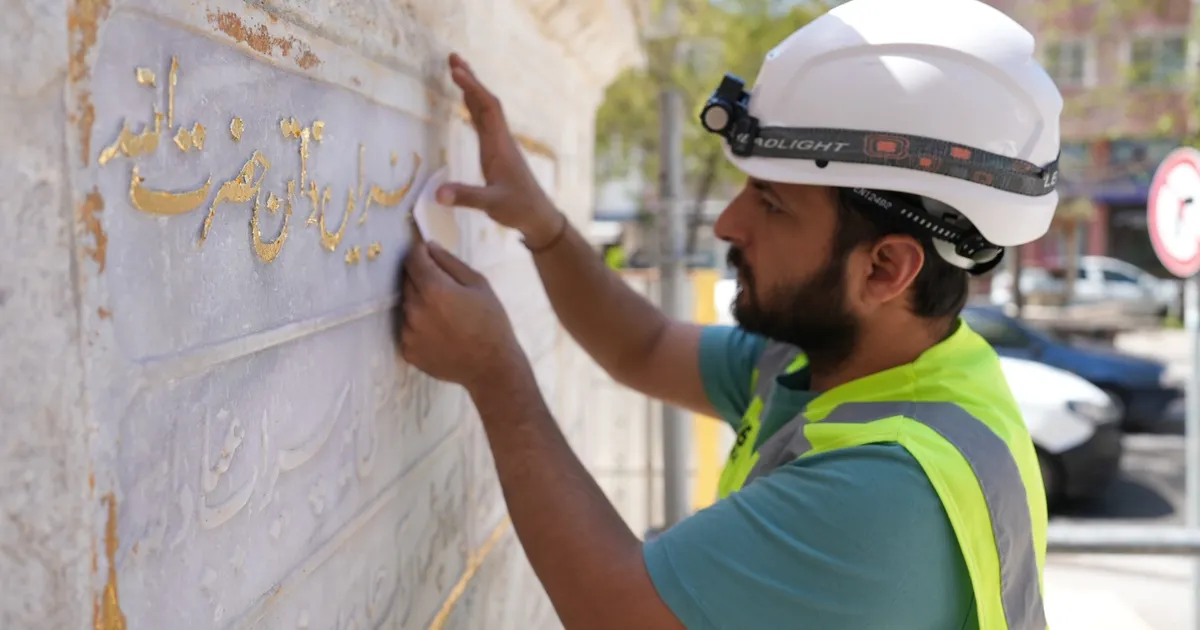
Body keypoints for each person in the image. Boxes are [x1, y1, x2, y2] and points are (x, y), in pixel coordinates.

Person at [395, 0, 1061, 627]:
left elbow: (615, 611)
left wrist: (495, 375)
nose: (727, 223)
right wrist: (542, 225)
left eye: (771, 204)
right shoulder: (855, 364)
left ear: (884, 268)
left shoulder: (889, 486)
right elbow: (645, 346)